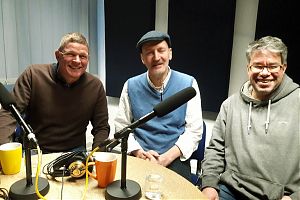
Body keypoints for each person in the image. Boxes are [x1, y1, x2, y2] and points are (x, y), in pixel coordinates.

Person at [201, 36, 300, 200]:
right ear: (248, 68)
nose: (265, 73)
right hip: (230, 190)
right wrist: (209, 184)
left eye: (272, 66)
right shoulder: (230, 105)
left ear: (283, 68)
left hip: (282, 196)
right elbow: (215, 150)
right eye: (258, 66)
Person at [114, 30, 203, 181]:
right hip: (140, 155)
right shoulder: (131, 85)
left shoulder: (188, 84)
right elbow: (122, 126)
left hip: (174, 157)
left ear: (170, 53)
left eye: (161, 50)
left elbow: (194, 131)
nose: (156, 57)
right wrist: (138, 152)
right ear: (142, 58)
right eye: (149, 53)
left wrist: (165, 159)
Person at [0, 32, 110, 153]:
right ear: (58, 55)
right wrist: (4, 150)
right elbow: (9, 113)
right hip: (36, 151)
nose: (77, 60)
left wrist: (97, 156)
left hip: (74, 153)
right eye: (70, 54)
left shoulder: (95, 86)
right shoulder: (33, 75)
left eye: (82, 56)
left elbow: (101, 128)